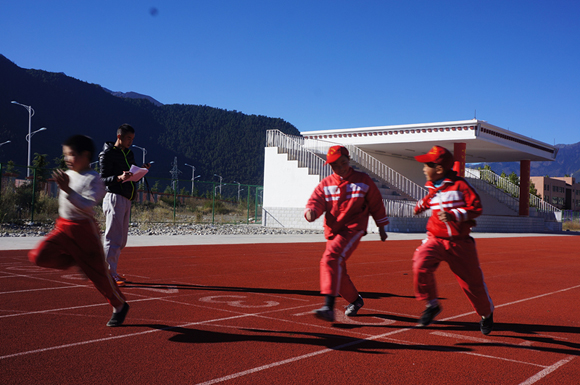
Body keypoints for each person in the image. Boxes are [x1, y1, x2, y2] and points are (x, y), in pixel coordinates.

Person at [28, 135, 129, 327]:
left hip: (84, 231)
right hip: (63, 227)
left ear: (85, 155)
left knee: (99, 276)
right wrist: (66, 187)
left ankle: (119, 305)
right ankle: (75, 260)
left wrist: (67, 189)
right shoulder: (69, 174)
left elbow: (87, 205)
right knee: (38, 256)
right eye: (65, 154)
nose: (67, 159)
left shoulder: (95, 179)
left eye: (71, 155)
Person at [412, 145, 494, 335]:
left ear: (439, 169)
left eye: (426, 165)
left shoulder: (461, 186)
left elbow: (476, 207)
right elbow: (427, 201)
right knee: (419, 263)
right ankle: (432, 304)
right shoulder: (432, 189)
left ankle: (486, 313)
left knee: (472, 284)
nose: (423, 169)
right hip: (436, 239)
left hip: (460, 243)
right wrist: (418, 207)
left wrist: (454, 215)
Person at [305, 145, 390, 322]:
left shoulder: (363, 180)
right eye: (335, 165)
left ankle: (328, 306)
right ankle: (355, 300)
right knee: (338, 270)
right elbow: (316, 201)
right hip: (333, 232)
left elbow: (376, 203)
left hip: (353, 228)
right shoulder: (326, 184)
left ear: (349, 160)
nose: (340, 168)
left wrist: (381, 227)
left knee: (330, 259)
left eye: (343, 163)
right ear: (330, 167)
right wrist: (311, 212)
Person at [99, 123, 149, 287]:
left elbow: (132, 176)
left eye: (132, 139)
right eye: (128, 138)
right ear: (119, 136)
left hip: (127, 198)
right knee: (112, 237)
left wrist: (140, 171)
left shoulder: (129, 153)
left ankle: (111, 271)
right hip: (114, 197)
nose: (130, 142)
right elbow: (102, 179)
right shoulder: (107, 154)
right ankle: (107, 273)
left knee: (121, 240)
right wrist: (119, 178)